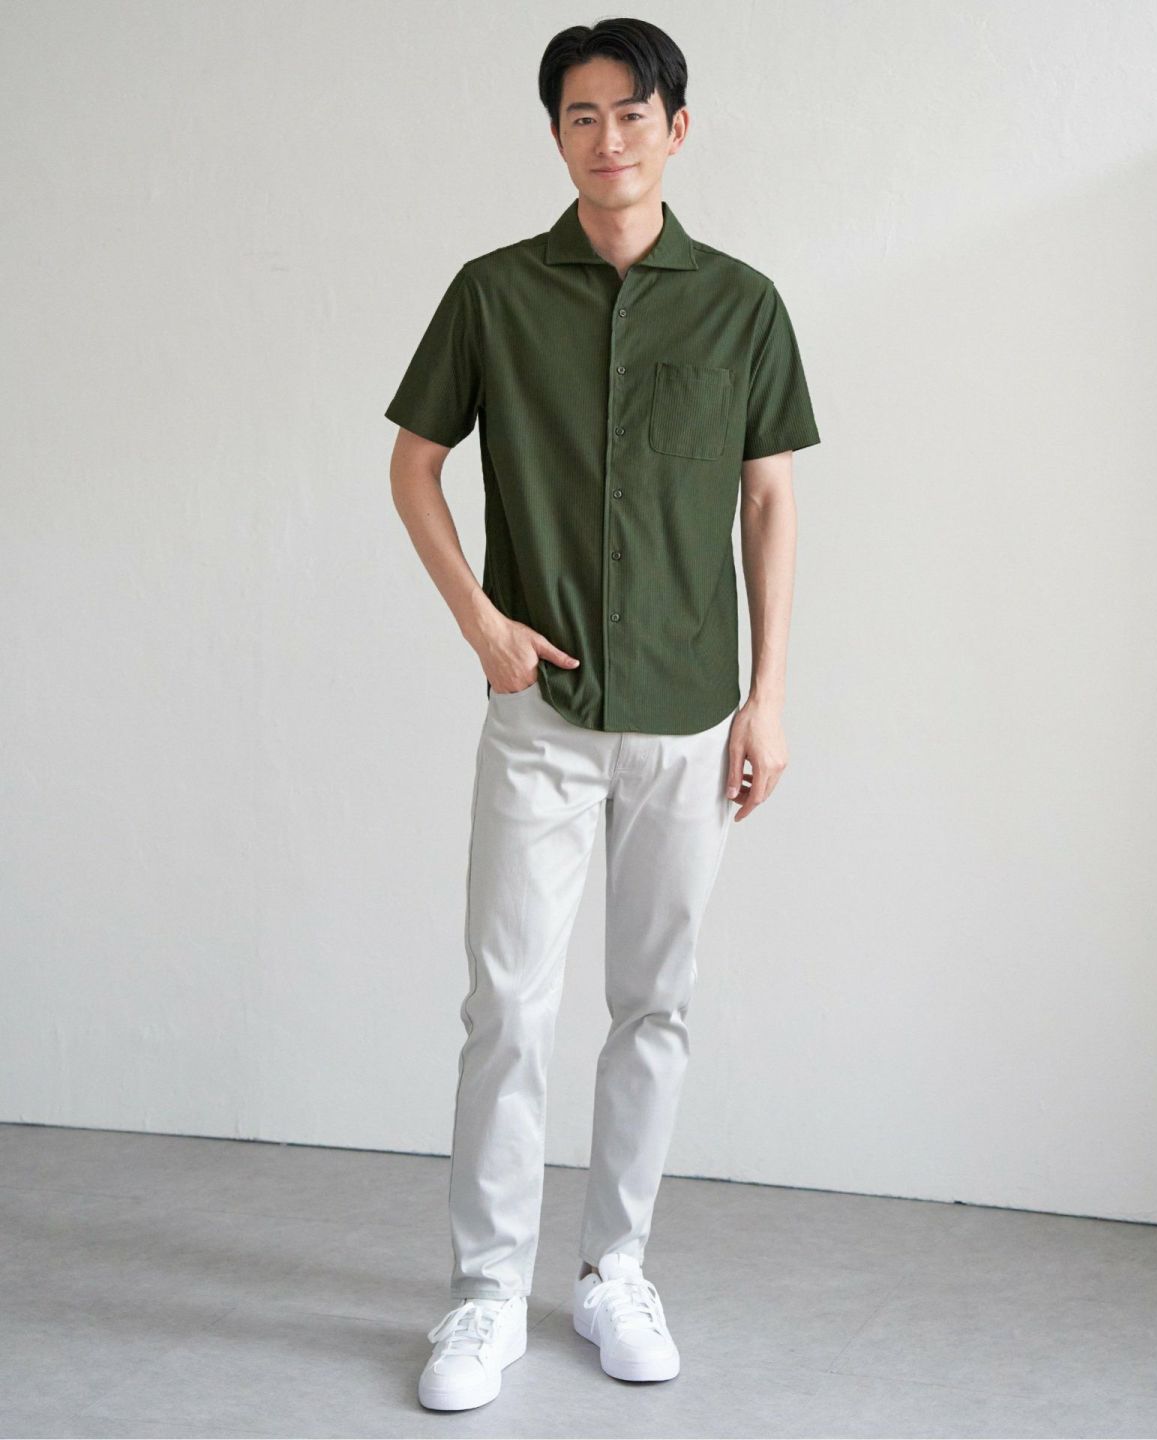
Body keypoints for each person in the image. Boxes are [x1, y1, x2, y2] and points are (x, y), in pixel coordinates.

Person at [385, 16, 820, 1413]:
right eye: (582, 115)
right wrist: (482, 622)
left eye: (633, 113)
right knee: (507, 1007)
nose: (609, 138)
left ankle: (613, 1269)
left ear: (675, 129)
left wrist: (767, 697)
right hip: (544, 718)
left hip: (692, 716)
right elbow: (412, 464)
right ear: (557, 134)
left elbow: (768, 500)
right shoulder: (493, 294)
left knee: (655, 1005)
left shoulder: (743, 304)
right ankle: (483, 1291)